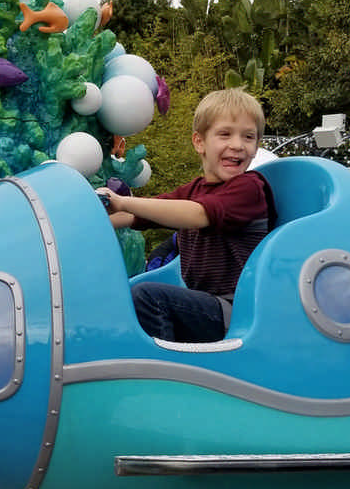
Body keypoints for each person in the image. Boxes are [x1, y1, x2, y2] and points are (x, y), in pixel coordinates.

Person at [103, 87, 271, 342]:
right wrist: (98, 219)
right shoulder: (195, 188)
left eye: (248, 137)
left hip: (238, 311)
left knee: (148, 299)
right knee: (125, 295)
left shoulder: (249, 188)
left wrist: (124, 202)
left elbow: (198, 214)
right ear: (199, 142)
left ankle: (165, 374)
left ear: (257, 146)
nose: (237, 145)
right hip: (206, 304)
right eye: (225, 134)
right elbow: (144, 214)